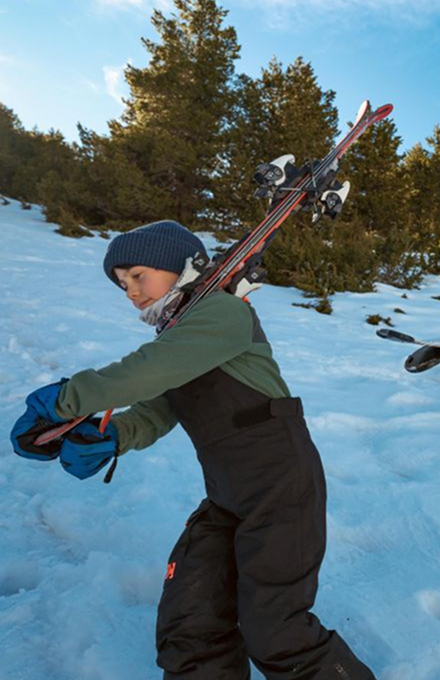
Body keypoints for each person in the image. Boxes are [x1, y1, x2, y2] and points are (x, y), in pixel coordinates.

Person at [10, 220, 376, 680]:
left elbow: (149, 371)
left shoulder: (224, 315)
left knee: (275, 630)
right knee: (192, 618)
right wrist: (113, 435)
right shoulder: (180, 338)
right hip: (227, 498)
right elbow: (159, 407)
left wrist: (67, 401)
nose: (130, 292)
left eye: (138, 276)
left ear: (180, 266)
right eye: (122, 285)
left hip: (281, 491)